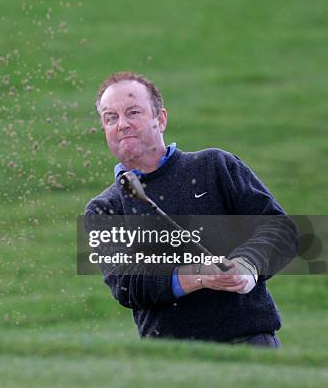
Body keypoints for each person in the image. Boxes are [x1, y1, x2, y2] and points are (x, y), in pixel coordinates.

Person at [85, 71, 297, 348]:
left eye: (133, 112)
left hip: (251, 345)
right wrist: (200, 275)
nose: (122, 124)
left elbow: (279, 229)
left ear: (160, 119)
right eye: (110, 118)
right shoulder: (105, 209)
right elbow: (127, 284)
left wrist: (249, 264)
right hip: (174, 363)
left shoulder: (214, 166)